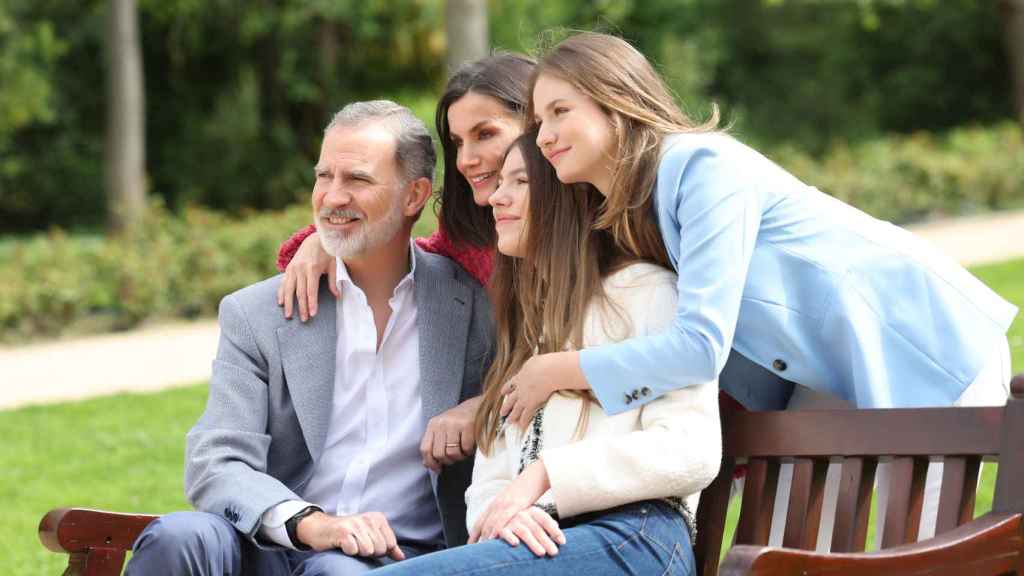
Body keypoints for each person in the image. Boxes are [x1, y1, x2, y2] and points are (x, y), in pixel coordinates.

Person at [499, 31, 1017, 546]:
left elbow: (700, 347)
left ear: (616, 100)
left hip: (915, 340)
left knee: (922, 548)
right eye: (539, 121)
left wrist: (559, 369)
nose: (544, 136)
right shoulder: (635, 209)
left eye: (560, 111)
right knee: (792, 548)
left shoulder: (698, 166)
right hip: (822, 376)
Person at [124, 101, 494, 575]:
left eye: (357, 180)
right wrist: (309, 523)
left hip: (393, 559)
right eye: (324, 177)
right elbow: (217, 459)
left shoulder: (473, 307)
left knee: (334, 572)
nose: (333, 197)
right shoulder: (256, 313)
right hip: (272, 539)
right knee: (180, 537)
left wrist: (481, 408)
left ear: (414, 196)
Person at [369, 132, 717, 575]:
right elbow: (490, 482)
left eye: (520, 182)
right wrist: (506, 516)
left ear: (564, 196)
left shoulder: (647, 292)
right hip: (541, 539)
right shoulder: (528, 328)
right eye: (499, 184)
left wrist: (547, 478)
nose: (497, 197)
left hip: (634, 537)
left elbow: (692, 451)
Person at [274, 54, 535, 473]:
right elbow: (414, 255)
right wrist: (324, 241)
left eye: (485, 134)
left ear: (538, 125)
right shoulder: (474, 234)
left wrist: (485, 405)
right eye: (457, 143)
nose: (466, 159)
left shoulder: (595, 233)